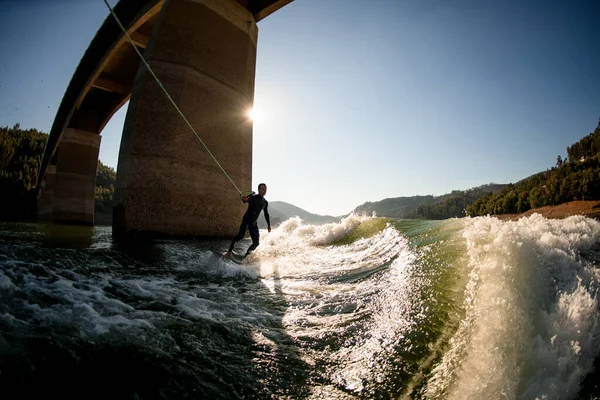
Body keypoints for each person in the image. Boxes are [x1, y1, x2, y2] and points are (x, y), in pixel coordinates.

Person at [226, 183, 271, 258]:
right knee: (240, 236)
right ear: (259, 189)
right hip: (246, 221)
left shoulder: (265, 202)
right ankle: (228, 253)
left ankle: (245, 258)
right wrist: (244, 199)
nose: (264, 191)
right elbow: (245, 200)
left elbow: (266, 214)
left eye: (265, 189)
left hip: (253, 224)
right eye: (262, 189)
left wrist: (268, 225)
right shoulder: (253, 197)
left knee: (256, 243)